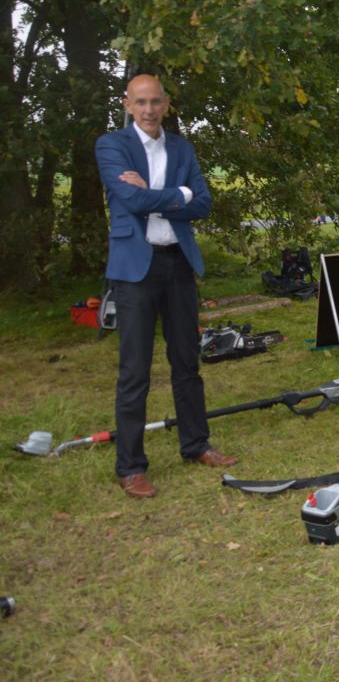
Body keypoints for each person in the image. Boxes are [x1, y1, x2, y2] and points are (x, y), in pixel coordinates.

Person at [95, 74, 237, 499]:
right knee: (135, 371)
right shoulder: (112, 146)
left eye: (156, 101)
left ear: (167, 104)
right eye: (140, 102)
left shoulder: (181, 148)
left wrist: (164, 194)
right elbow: (132, 201)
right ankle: (131, 467)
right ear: (127, 104)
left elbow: (204, 203)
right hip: (134, 270)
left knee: (187, 363)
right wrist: (180, 194)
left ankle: (196, 445)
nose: (149, 110)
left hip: (178, 263)